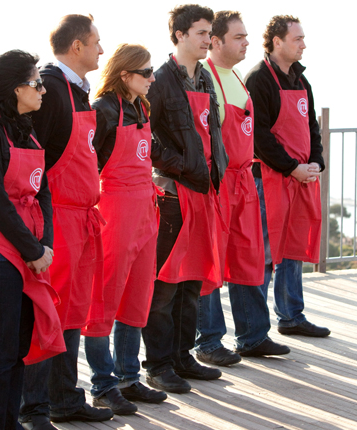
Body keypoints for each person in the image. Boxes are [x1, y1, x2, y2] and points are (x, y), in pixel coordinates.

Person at [19, 15, 113, 430]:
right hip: (57, 215)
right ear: (76, 46)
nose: (101, 51)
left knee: (72, 311)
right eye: (96, 43)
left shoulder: (77, 90)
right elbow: (34, 157)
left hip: (81, 217)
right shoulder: (52, 89)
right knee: (47, 312)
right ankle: (34, 407)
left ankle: (65, 397)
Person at [0, 49, 61, 430]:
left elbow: (43, 192)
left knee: (19, 348)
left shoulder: (24, 127)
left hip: (27, 250)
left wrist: (44, 245)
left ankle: (9, 422)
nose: (42, 91)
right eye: (36, 83)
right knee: (0, 350)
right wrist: (33, 249)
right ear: (15, 88)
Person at [141, 4, 229, 395]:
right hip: (173, 193)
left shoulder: (205, 79)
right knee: (164, 286)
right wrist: (181, 166)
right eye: (200, 32)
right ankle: (158, 365)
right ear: (178, 35)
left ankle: (182, 356)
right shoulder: (159, 81)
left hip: (203, 190)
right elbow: (147, 139)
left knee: (192, 280)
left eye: (209, 32)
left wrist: (215, 169)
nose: (208, 39)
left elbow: (212, 131)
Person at [195, 10, 291, 366]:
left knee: (249, 257)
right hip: (219, 182)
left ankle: (252, 335)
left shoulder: (235, 76)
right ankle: (208, 340)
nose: (246, 43)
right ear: (215, 42)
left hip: (244, 180)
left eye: (246, 37)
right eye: (238, 37)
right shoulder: (204, 77)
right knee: (212, 260)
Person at [81, 43, 167, 415]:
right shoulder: (102, 111)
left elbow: (153, 151)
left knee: (136, 296)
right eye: (146, 73)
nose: (152, 78)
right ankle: (103, 384)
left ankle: (129, 378)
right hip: (114, 212)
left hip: (144, 211)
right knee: (103, 298)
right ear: (124, 75)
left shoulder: (140, 107)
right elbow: (87, 167)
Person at [244, 15, 330, 340]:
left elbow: (312, 128)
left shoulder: (300, 80)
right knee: (266, 252)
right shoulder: (257, 79)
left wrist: (316, 163)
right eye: (298, 39)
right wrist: (291, 167)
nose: (304, 44)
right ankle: (255, 331)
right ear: (277, 41)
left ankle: (291, 315)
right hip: (268, 178)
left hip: (301, 177)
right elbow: (259, 136)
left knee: (294, 247)